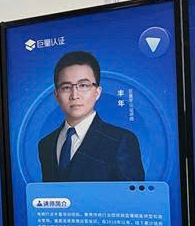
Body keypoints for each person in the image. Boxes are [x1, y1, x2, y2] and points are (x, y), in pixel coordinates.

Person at [37, 51, 143, 182]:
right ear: (56, 95)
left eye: (83, 85)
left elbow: (133, 194)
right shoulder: (46, 144)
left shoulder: (121, 140)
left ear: (97, 92)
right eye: (66, 87)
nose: (74, 95)